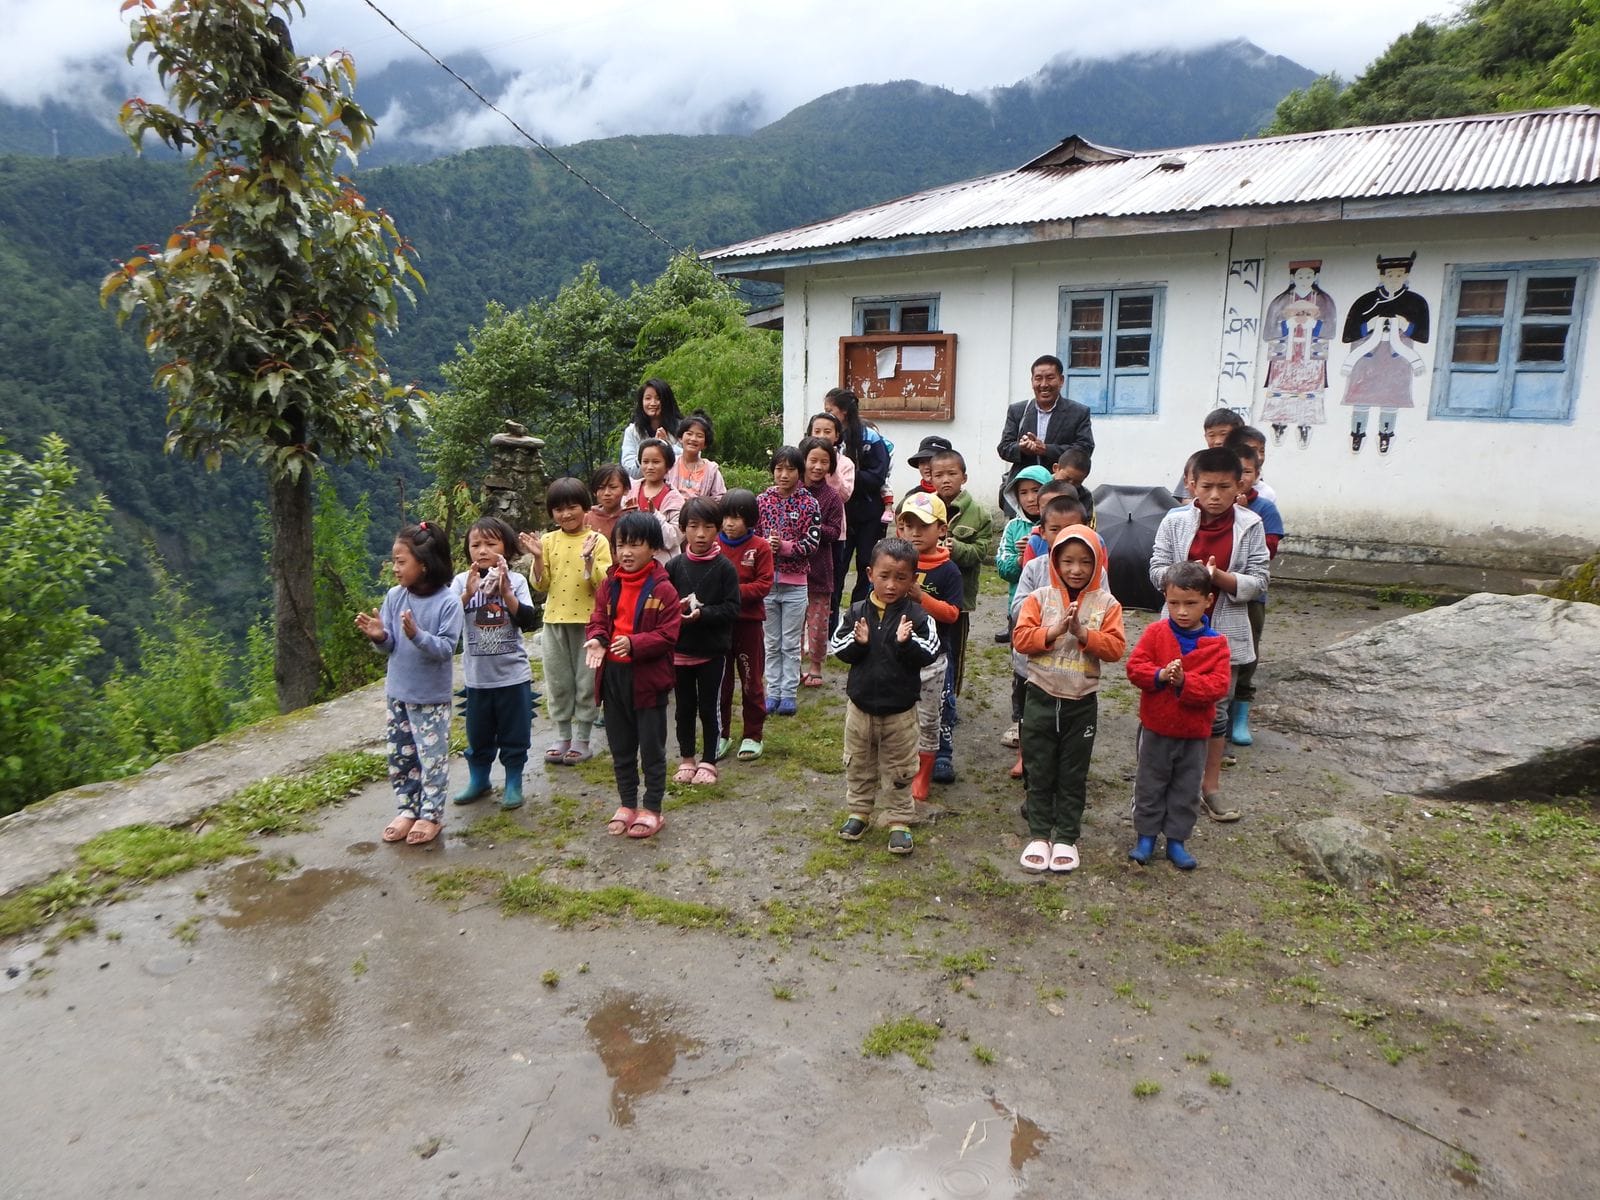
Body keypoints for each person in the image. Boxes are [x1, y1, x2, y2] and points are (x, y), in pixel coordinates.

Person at [1148, 446, 1269, 823]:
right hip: (1176, 629)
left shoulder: (1250, 525)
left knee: (1214, 712)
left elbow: (1261, 580)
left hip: (1224, 632)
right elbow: (1155, 569)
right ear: (1191, 484)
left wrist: (1220, 579)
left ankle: (1208, 787)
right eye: (1207, 486)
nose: (1215, 495)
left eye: (1224, 487)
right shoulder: (1175, 521)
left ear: (1241, 486)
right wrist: (1186, 577)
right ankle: (1158, 782)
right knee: (1166, 701)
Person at [1011, 526, 1126, 873]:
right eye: (1068, 561)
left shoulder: (1107, 604)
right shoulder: (1039, 598)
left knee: (1074, 772)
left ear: (1098, 564)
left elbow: (1116, 648)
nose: (1076, 569)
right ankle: (1039, 835)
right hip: (1040, 696)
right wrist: (1056, 630)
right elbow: (1021, 639)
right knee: (1040, 768)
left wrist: (1082, 633)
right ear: (1055, 562)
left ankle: (1066, 837)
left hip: (1081, 701)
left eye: (1085, 562)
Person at [830, 537, 942, 856]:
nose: (891, 585)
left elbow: (931, 652)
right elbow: (838, 649)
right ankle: (859, 812)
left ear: (913, 579)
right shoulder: (855, 613)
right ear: (869, 574)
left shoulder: (918, 617)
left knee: (901, 767)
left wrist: (906, 643)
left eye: (901, 577)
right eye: (884, 576)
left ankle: (898, 819)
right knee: (858, 763)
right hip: (860, 708)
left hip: (900, 712)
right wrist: (858, 643)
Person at [355, 522, 463, 846]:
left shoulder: (448, 603)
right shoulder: (394, 596)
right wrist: (380, 636)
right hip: (398, 693)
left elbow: (445, 649)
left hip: (430, 698)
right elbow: (390, 646)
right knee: (401, 757)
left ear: (425, 564)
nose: (395, 568)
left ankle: (430, 815)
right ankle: (407, 809)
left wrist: (417, 635)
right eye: (394, 561)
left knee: (431, 760)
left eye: (402, 561)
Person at [1124, 561, 1232, 870]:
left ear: (1208, 601)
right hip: (1156, 727)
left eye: (1190, 604)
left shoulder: (1217, 645)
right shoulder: (1156, 632)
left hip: (1194, 733)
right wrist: (1159, 675)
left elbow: (1218, 686)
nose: (1182, 611)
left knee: (1185, 788)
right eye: (1174, 603)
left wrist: (1186, 682)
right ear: (1165, 599)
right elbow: (1135, 667)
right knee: (1149, 783)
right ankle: (1145, 837)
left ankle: (1176, 840)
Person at [584, 512, 682, 840]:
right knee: (621, 746)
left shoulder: (664, 590)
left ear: (653, 548)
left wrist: (634, 643)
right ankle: (627, 803)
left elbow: (669, 636)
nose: (625, 552)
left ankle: (652, 808)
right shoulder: (609, 584)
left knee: (651, 748)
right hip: (613, 677)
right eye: (620, 545)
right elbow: (597, 618)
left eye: (635, 545)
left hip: (648, 681)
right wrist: (598, 639)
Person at [449, 515, 537, 810]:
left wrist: (507, 593)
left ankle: (513, 781)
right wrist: (467, 594)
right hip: (477, 678)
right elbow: (446, 619)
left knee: (515, 733)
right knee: (478, 733)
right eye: (476, 544)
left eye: (490, 543)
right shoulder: (461, 581)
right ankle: (479, 779)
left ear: (506, 548)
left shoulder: (517, 580)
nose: (483, 550)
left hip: (513, 676)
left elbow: (527, 620)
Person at [524, 477, 612, 768]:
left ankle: (583, 739)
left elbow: (604, 584)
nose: (565, 514)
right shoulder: (548, 541)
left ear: (586, 508)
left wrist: (588, 561)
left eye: (572, 507)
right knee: (558, 680)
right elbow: (540, 585)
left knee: (586, 682)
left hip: (589, 624)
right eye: (558, 509)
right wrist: (537, 558)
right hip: (554, 622)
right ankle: (562, 736)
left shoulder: (597, 541)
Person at [666, 497, 740, 785]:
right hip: (679, 653)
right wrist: (677, 609)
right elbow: (660, 605)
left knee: (710, 707)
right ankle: (686, 758)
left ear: (717, 529)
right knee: (683, 707)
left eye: (708, 527)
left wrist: (703, 613)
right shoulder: (673, 567)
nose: (700, 534)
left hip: (712, 652)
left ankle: (709, 760)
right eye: (693, 526)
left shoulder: (725, 569)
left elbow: (732, 608)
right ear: (683, 528)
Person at [894, 492, 962, 805]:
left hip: (937, 656)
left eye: (923, 526)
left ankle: (939, 757)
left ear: (942, 530)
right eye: (908, 525)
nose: (915, 533)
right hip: (899, 653)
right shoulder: (895, 562)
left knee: (938, 710)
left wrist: (922, 598)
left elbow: (952, 614)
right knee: (901, 708)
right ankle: (903, 761)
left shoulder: (948, 571)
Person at [928, 446, 991, 783]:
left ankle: (951, 701)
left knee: (955, 651)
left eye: (952, 473)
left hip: (959, 597)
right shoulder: (924, 508)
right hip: (926, 598)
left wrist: (958, 549)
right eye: (939, 474)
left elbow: (982, 550)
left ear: (964, 477)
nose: (945, 479)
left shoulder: (977, 513)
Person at [1340, 252, 1429, 454]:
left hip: (1396, 359)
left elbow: (1422, 335)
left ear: (1406, 276)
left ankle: (1385, 435)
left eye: (1399, 275)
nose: (1394, 279)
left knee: (1391, 400)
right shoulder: (1366, 302)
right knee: (1360, 398)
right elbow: (1348, 334)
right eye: (1390, 275)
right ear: (1382, 276)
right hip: (1367, 358)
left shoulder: (1416, 302)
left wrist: (1406, 326)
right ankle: (1357, 434)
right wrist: (1369, 325)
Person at [758, 445, 822, 716]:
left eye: (790, 469)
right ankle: (772, 692)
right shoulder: (762, 501)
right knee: (771, 643)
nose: (783, 475)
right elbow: (751, 534)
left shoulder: (809, 503)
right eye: (778, 468)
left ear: (799, 472)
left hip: (795, 584)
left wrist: (784, 547)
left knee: (790, 642)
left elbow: (813, 542)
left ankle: (788, 693)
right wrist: (764, 546)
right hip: (766, 583)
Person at [1227, 445, 1284, 747]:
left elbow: (1268, 551)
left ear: (1256, 475)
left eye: (1247, 472)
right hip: (1216, 597)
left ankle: (1240, 716)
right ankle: (1218, 714)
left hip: (1250, 598)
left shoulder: (1264, 510)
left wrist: (1243, 515)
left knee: (1247, 653)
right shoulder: (1207, 511)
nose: (1241, 478)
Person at [994, 464, 1053, 744]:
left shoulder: (1060, 526)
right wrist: (1020, 558)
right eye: (1024, 492)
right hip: (1020, 610)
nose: (1031, 498)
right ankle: (1019, 721)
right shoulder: (1013, 528)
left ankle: (1048, 720)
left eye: (1037, 491)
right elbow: (1002, 568)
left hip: (1055, 611)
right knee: (1021, 668)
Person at [716, 489, 774, 761]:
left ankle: (753, 734)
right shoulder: (714, 545)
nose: (730, 523)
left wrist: (730, 594)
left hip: (749, 626)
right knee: (720, 683)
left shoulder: (761, 547)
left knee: (751, 680)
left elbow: (763, 584)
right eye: (726, 516)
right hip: (718, 627)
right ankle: (720, 733)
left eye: (737, 517)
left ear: (750, 519)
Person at [997, 354, 1094, 513]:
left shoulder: (1078, 412)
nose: (1044, 384)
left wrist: (1046, 450)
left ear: (1061, 380)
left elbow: (1084, 450)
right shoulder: (1018, 411)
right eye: (1038, 378)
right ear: (1032, 381)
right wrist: (1022, 448)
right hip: (1024, 492)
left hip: (1058, 491)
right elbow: (1004, 448)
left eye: (1050, 378)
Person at [1259, 260, 1337, 447]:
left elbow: (1330, 329)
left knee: (1307, 392)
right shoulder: (1281, 301)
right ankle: (1279, 424)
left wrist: (1314, 324)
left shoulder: (1323, 301)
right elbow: (1269, 331)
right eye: (1300, 276)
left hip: (1310, 355)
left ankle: (1305, 425)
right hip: (1285, 355)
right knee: (1282, 390)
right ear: (1293, 277)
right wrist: (1288, 324)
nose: (1304, 279)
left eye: (1308, 276)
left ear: (1315, 277)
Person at [824, 388, 891, 605]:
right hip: (839, 513)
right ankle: (833, 614)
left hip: (868, 511)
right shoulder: (829, 437)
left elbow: (878, 475)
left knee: (866, 563)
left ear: (843, 411)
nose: (827, 415)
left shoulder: (870, 437)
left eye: (830, 410)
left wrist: (848, 475)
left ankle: (860, 612)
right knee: (837, 564)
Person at [799, 435, 845, 688]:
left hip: (819, 570)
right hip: (790, 571)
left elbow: (834, 531)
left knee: (817, 624)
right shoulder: (791, 491)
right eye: (812, 460)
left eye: (824, 462)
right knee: (792, 625)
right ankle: (792, 666)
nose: (817, 467)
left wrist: (812, 527)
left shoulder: (832, 497)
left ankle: (815, 666)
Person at [630, 438, 684, 561]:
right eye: (645, 462)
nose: (649, 467)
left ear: (668, 465)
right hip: (632, 562)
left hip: (663, 563)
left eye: (656, 462)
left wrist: (655, 516)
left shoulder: (675, 499)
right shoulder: (630, 492)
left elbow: (674, 538)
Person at [1173, 409, 1244, 499]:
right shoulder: (1198, 462)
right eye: (1211, 435)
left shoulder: (1246, 464)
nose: (1218, 441)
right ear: (1205, 436)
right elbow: (1183, 499)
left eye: (1223, 434)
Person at [620, 378, 683, 479]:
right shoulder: (632, 432)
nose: (652, 403)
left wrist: (668, 446)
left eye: (658, 398)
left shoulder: (682, 429)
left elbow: (690, 461)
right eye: (648, 398)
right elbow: (631, 471)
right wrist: (646, 453)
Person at [668, 411, 727, 501]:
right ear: (680, 438)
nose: (693, 439)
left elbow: (720, 498)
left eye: (699, 436)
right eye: (689, 434)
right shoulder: (670, 464)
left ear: (705, 444)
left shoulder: (712, 470)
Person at [807, 411, 856, 503]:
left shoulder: (846, 464)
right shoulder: (801, 459)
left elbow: (844, 497)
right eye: (817, 431)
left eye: (827, 432)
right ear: (810, 434)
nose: (821, 436)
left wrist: (833, 465)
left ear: (837, 436)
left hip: (832, 515)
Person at [586, 462, 631, 548]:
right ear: (594, 492)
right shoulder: (586, 519)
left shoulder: (632, 518)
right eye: (601, 488)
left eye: (613, 487)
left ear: (625, 489)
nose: (607, 493)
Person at [1051, 447, 1096, 527]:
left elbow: (1086, 526)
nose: (1070, 485)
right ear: (1056, 468)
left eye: (1077, 482)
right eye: (1066, 478)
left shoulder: (1085, 496)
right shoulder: (1039, 485)